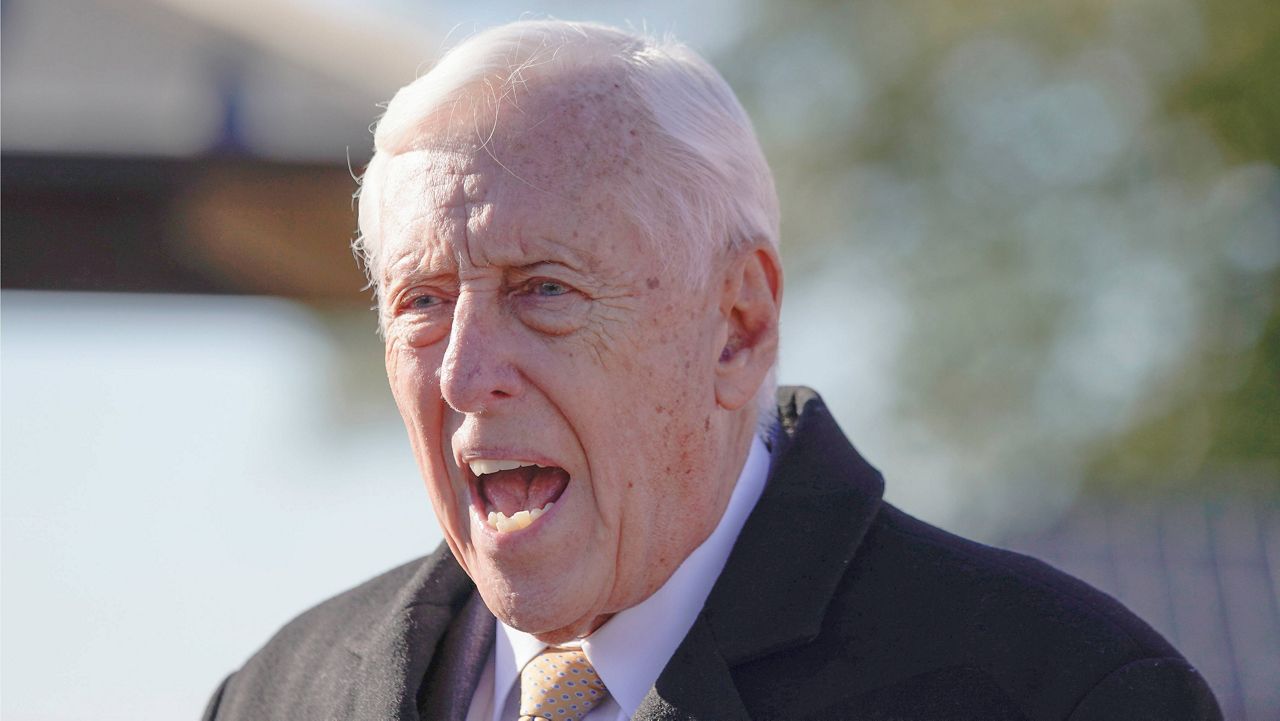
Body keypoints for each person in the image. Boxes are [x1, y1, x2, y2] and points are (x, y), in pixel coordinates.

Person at [203, 20, 1221, 721]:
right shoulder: (274, 694)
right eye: (419, 303)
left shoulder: (1056, 692)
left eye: (543, 290)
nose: (466, 375)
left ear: (737, 325)